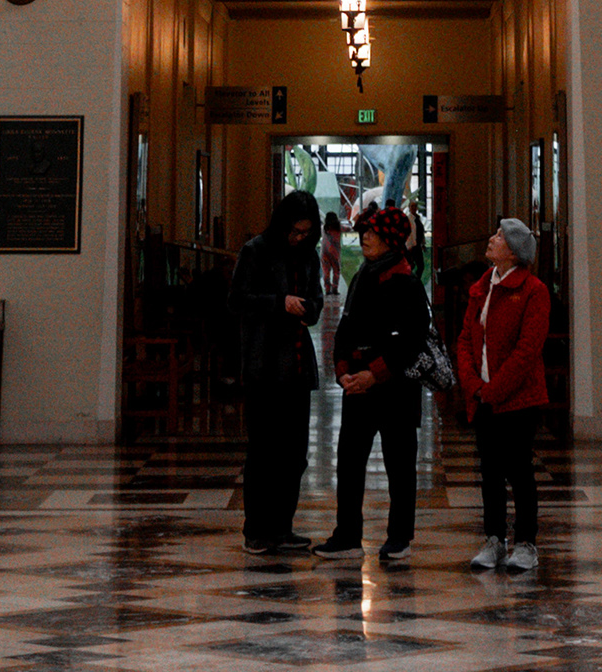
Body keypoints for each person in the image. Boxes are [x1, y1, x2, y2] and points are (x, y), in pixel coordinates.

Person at [322, 203, 432, 564]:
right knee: (350, 461)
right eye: (364, 230)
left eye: (372, 232)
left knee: (399, 464)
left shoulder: (405, 281)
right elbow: (347, 327)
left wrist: (375, 373)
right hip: (359, 385)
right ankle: (347, 535)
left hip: (395, 390)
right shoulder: (362, 275)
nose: (364, 236)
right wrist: (343, 372)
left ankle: (399, 536)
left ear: (391, 240)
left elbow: (412, 340)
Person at [230, 189, 328, 556]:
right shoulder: (256, 251)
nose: (299, 238)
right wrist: (278, 303)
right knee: (263, 451)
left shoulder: (309, 257)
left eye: (306, 233)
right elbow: (237, 300)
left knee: (294, 453)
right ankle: (256, 529)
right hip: (264, 364)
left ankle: (283, 526)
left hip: (297, 366)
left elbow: (317, 300)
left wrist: (310, 308)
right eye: (295, 232)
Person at [458, 217, 552, 576]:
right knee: (490, 471)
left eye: (498, 236)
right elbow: (466, 339)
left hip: (518, 400)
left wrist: (494, 390)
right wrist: (472, 383)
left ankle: (526, 543)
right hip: (483, 396)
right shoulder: (482, 287)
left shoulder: (533, 291)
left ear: (512, 251)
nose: (491, 238)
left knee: (519, 470)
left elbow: (527, 351)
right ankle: (494, 539)